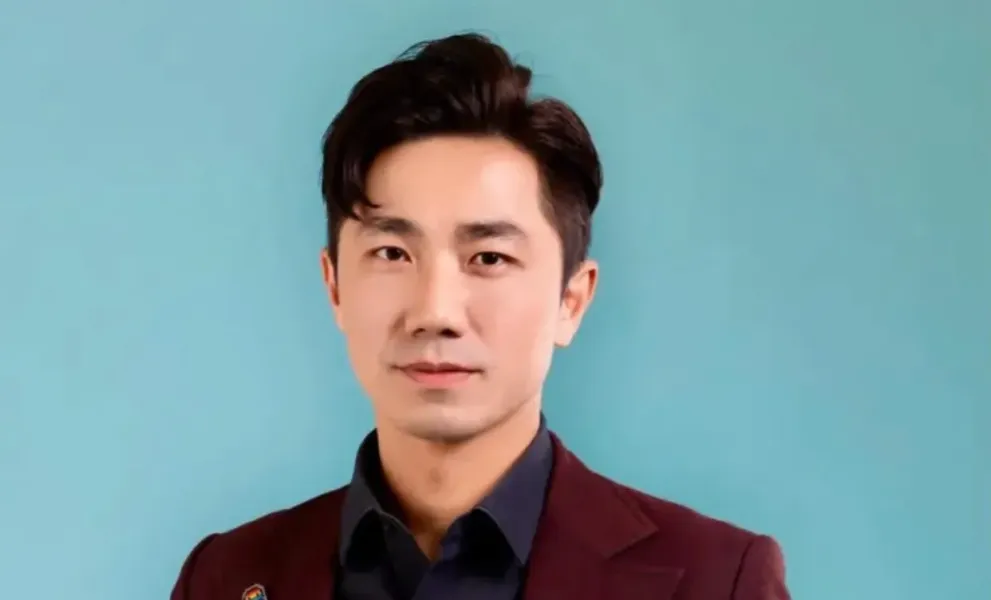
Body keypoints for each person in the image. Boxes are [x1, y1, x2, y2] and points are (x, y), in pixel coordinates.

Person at [169, 32, 791, 600]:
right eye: (392, 253)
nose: (435, 312)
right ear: (334, 286)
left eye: (489, 257)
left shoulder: (716, 581)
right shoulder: (225, 576)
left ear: (571, 300)